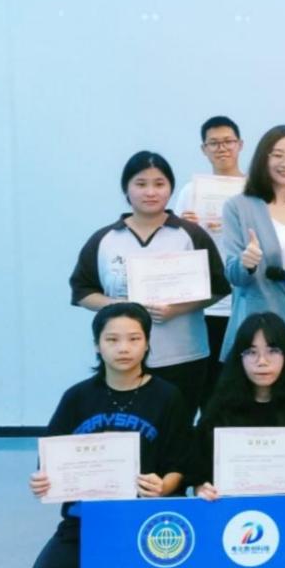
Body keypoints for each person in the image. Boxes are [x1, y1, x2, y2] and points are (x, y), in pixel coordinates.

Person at [26, 303, 191, 568]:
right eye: (112, 339)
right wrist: (42, 481)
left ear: (147, 343)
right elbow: (49, 460)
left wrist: (164, 486)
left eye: (134, 338)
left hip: (148, 519)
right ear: (97, 345)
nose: (123, 348)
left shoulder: (168, 397)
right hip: (87, 519)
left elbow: (180, 462)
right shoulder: (77, 397)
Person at [70, 151, 230, 424]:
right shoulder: (105, 239)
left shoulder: (191, 234)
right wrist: (120, 307)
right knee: (130, 427)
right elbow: (82, 291)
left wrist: (177, 309)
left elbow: (218, 288)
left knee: (178, 427)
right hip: (123, 358)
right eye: (141, 184)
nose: (151, 192)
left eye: (159, 183)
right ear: (126, 189)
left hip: (183, 355)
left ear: (171, 188)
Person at [222, 125, 285, 401]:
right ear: (263, 158)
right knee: (252, 411)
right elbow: (233, 273)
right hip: (255, 326)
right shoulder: (238, 206)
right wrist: (246, 263)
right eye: (278, 155)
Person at [191, 312, 285, 496]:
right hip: (232, 509)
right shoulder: (218, 411)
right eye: (251, 352)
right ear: (239, 357)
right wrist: (203, 490)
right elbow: (199, 478)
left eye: (272, 351)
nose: (262, 362)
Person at [173, 115, 245, 404]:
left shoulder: (255, 190)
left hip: (245, 300)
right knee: (208, 385)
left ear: (240, 145)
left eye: (228, 141)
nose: (222, 148)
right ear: (204, 149)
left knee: (242, 383)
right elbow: (175, 248)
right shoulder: (190, 191)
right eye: (213, 143)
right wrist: (187, 227)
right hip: (206, 302)